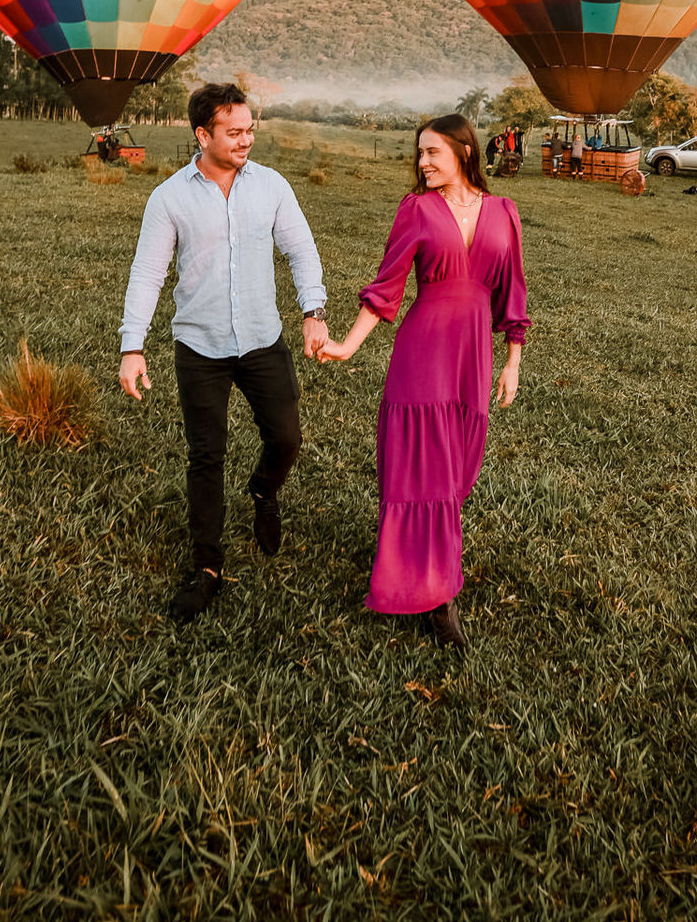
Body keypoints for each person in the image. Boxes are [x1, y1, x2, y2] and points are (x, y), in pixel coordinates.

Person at [118, 82, 329, 623]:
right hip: (199, 345)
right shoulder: (169, 198)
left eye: (250, 129)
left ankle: (263, 491)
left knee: (286, 437)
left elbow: (300, 250)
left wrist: (313, 312)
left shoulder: (272, 186)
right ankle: (207, 567)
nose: (246, 140)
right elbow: (147, 274)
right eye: (233, 132)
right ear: (201, 134)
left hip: (262, 339)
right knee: (205, 458)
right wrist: (132, 346)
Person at [317, 114, 529, 652]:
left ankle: (429, 574)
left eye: (432, 152)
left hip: (473, 357)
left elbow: (512, 292)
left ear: (463, 150)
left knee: (456, 472)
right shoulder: (415, 209)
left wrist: (512, 361)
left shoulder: (505, 212)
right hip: (423, 352)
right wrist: (348, 343)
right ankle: (437, 597)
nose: (423, 163)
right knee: (422, 472)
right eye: (419, 154)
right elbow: (385, 288)